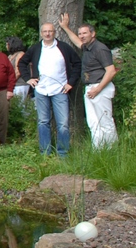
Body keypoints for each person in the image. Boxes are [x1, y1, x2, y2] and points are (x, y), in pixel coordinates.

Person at [18, 22, 81, 157]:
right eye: (45, 31)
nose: (47, 34)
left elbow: (77, 63)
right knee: (43, 121)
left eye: (50, 31)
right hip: (41, 89)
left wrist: (71, 83)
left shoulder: (63, 48)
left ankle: (63, 153)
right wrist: (28, 78)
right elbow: (22, 63)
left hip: (60, 90)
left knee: (63, 123)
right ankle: (45, 152)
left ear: (54, 33)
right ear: (41, 33)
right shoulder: (36, 48)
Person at [59, 13, 118, 148]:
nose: (81, 36)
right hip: (91, 88)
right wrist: (65, 27)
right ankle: (99, 151)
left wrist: (98, 89)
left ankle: (113, 150)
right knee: (93, 122)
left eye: (85, 33)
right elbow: (77, 42)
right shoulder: (87, 47)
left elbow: (111, 71)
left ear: (93, 34)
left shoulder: (100, 48)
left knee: (105, 121)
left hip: (100, 88)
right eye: (80, 33)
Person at [5, 36, 30, 101]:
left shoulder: (20, 54)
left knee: (20, 106)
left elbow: (18, 71)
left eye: (7, 44)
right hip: (13, 85)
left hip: (20, 84)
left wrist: (10, 82)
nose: (6, 46)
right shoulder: (10, 56)